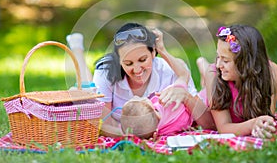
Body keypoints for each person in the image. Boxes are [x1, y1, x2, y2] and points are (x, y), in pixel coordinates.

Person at [67, 22, 214, 137]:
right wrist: (138, 134)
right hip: (105, 76)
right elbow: (104, 123)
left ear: (154, 52)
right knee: (86, 85)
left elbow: (208, 124)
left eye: (142, 60)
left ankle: (205, 74)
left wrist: (186, 96)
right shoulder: (106, 73)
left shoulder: (170, 70)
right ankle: (77, 49)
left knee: (204, 92)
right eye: (128, 63)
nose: (137, 70)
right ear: (119, 61)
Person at [178, 24, 277, 138]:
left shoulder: (271, 71)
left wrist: (264, 124)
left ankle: (203, 66)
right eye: (218, 57)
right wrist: (252, 124)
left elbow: (267, 116)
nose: (219, 65)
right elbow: (223, 128)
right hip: (209, 95)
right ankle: (203, 66)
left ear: (246, 63)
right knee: (209, 73)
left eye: (225, 60)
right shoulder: (214, 75)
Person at [120, 93, 193, 139]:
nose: (136, 96)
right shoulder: (166, 105)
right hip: (192, 105)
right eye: (140, 99)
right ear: (152, 108)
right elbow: (179, 93)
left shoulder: (157, 130)